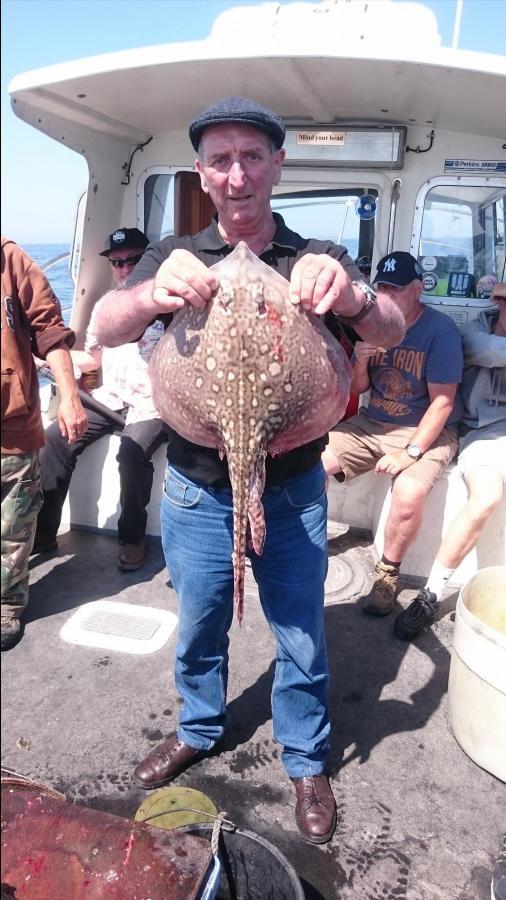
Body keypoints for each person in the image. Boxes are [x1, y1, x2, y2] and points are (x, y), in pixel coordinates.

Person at [92, 97, 405, 843]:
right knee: (200, 620)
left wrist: (356, 295)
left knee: (301, 632)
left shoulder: (312, 255)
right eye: (222, 159)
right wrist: (147, 294)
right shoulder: (176, 253)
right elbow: (103, 324)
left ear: (276, 165)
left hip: (293, 484)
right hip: (197, 487)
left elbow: (387, 329)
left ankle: (305, 757)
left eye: (253, 157)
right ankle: (198, 728)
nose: (238, 174)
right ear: (203, 171)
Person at [322, 251, 464, 617]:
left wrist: (410, 453)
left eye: (395, 289)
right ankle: (308, 546)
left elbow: (443, 404)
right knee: (312, 462)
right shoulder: (372, 324)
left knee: (408, 490)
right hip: (374, 421)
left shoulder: (440, 331)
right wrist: (361, 359)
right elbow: (359, 387)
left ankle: (387, 574)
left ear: (418, 289)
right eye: (381, 287)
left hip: (426, 429)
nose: (386, 295)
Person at [34, 227, 168, 571]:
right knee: (54, 439)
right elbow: (91, 359)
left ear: (149, 260)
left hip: (154, 405)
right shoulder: (106, 308)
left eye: (133, 261)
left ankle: (132, 538)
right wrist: (45, 357)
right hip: (110, 399)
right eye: (117, 263)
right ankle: (44, 531)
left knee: (131, 453)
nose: (124, 269)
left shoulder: (169, 308)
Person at [394, 280, 506, 639]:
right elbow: (485, 350)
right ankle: (432, 593)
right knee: (486, 496)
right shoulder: (473, 331)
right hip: (487, 436)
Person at [1, 237, 87, 651]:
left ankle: (7, 604)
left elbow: (49, 332)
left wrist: (70, 396)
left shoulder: (12, 260)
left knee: (13, 526)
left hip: (11, 427)